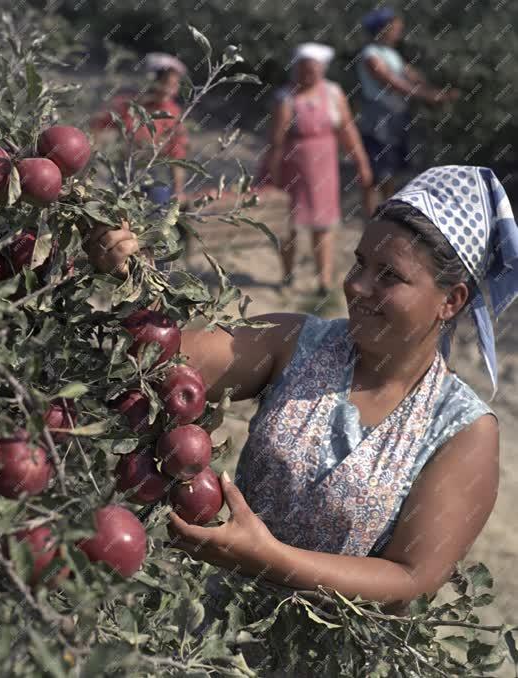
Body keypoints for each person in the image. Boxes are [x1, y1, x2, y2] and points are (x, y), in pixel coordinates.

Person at [84, 165, 516, 671]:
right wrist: (132, 275)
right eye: (359, 263)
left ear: (451, 300)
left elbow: (410, 579)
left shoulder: (463, 430)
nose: (356, 286)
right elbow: (170, 363)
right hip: (210, 645)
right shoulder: (297, 343)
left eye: (389, 276)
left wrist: (270, 559)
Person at [258, 43, 373, 295]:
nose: (309, 74)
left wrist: (361, 163)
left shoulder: (333, 93)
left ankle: (324, 281)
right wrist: (273, 176)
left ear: (322, 69)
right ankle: (287, 275)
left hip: (323, 170)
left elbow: (348, 130)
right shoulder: (285, 98)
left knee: (323, 224)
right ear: (296, 68)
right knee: (286, 224)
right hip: (292, 170)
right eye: (304, 69)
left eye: (314, 69)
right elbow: (276, 141)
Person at [357, 7, 460, 205]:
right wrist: (432, 96)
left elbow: (413, 77)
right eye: (394, 27)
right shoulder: (371, 54)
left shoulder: (391, 53)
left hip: (395, 118)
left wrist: (440, 90)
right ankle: (370, 220)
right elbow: (394, 83)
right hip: (378, 119)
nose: (398, 31)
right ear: (382, 29)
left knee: (391, 171)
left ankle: (386, 215)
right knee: (375, 172)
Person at [91, 52, 189, 204]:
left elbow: (177, 154)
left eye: (173, 85)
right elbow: (98, 127)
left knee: (157, 212)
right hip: (124, 171)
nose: (169, 90)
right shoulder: (128, 105)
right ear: (151, 81)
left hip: (155, 174)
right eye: (165, 83)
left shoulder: (172, 113)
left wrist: (178, 190)